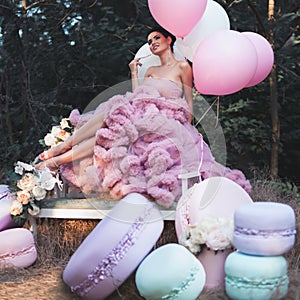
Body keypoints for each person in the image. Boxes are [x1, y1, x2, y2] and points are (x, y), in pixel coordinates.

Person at [37, 27, 251, 208]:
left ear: (169, 39)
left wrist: (181, 120)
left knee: (112, 130)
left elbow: (188, 101)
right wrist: (133, 73)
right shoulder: (150, 72)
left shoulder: (183, 67)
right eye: (149, 41)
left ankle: (57, 158)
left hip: (164, 118)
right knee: (110, 118)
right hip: (140, 111)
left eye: (157, 38)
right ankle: (61, 149)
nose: (152, 43)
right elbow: (137, 95)